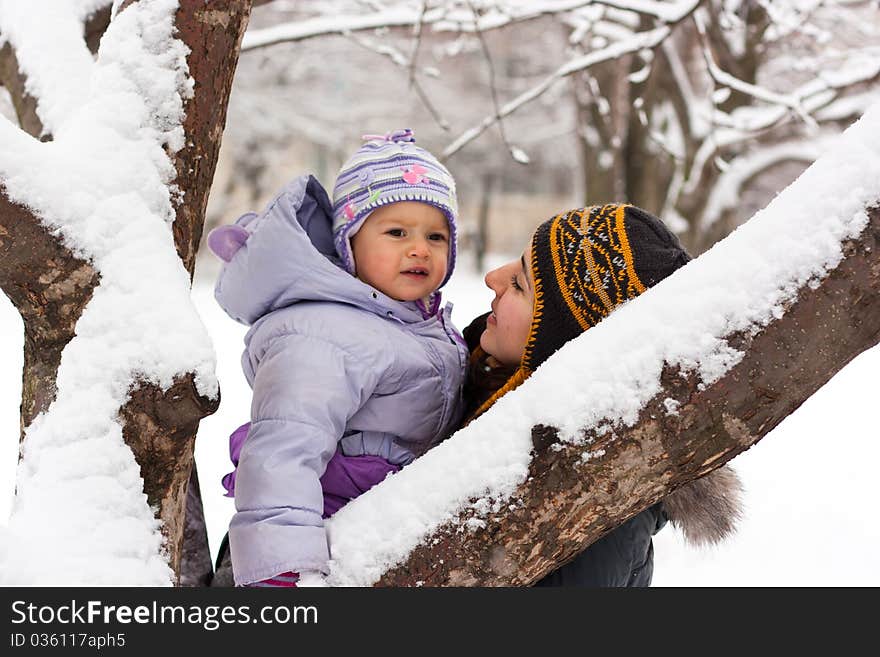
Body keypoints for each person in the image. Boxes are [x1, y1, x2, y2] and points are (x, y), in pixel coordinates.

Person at [207, 129, 468, 586]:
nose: (419, 248)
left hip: (364, 533)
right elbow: (283, 448)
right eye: (396, 232)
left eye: (436, 236)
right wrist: (281, 568)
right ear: (349, 243)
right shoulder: (325, 333)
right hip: (307, 551)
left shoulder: (413, 326)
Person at [462, 203, 743, 586]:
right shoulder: (481, 376)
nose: (493, 277)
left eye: (519, 285)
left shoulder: (591, 532)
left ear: (563, 348)